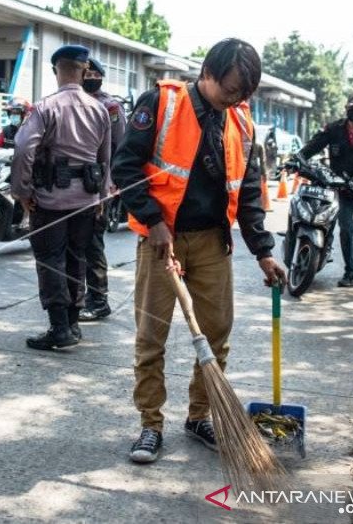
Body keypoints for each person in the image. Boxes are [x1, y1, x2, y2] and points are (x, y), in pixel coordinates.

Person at [112, 38, 286, 463]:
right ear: (207, 74)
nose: (235, 100)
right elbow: (124, 166)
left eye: (243, 94)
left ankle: (199, 416)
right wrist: (152, 222)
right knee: (152, 337)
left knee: (217, 332)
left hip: (212, 242)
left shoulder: (241, 123)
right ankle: (150, 425)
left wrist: (263, 250)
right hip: (162, 240)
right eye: (229, 90)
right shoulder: (161, 104)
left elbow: (246, 192)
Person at [11, 45, 111, 350]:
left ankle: (59, 328)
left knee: (50, 261)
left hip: (51, 199)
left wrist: (22, 191)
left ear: (57, 70)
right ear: (83, 70)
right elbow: (105, 158)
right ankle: (73, 323)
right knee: (76, 259)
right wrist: (102, 198)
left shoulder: (45, 107)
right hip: (86, 199)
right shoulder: (99, 109)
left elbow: (24, 149)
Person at [298, 92, 353, 288]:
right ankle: (349, 272)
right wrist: (299, 156)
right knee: (346, 230)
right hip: (342, 189)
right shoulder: (334, 129)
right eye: (351, 109)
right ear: (346, 109)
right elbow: (315, 144)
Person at [79, 56, 126, 322]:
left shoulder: (110, 106)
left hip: (99, 184)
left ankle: (98, 300)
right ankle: (78, 296)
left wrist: (113, 183)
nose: (88, 76)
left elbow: (121, 146)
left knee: (92, 244)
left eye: (92, 73)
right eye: (84, 72)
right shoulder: (72, 101)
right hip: (72, 185)